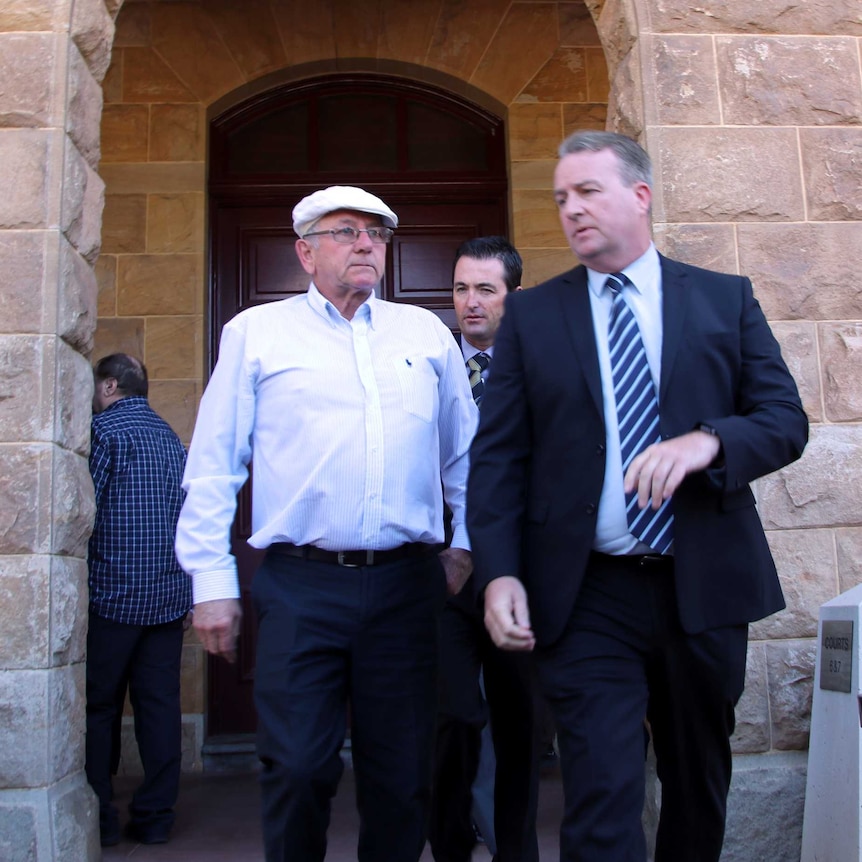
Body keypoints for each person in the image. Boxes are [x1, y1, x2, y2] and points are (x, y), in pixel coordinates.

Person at [466, 131, 809, 862]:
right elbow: (498, 459)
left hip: (703, 583)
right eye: (562, 199)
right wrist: (498, 572)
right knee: (600, 790)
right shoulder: (534, 316)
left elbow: (784, 421)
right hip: (588, 592)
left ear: (640, 196)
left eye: (588, 191)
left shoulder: (723, 299)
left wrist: (708, 441)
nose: (572, 210)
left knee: (695, 784)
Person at [174, 186, 478, 862]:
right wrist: (211, 583)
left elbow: (465, 454)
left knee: (402, 780)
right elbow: (215, 463)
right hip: (301, 587)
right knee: (298, 769)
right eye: (347, 231)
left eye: (378, 232)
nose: (367, 243)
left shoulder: (425, 334)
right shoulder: (257, 333)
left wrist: (462, 545)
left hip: (406, 587)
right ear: (305, 252)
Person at [429, 236, 540, 862]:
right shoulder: (428, 365)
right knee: (453, 717)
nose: (470, 303)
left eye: (486, 290)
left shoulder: (540, 369)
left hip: (518, 572)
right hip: (443, 575)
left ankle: (515, 850)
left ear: (513, 298)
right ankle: (449, 842)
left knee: (520, 723)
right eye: (461, 289)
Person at [85, 353, 191, 847]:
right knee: (160, 707)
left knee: (99, 707)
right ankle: (155, 818)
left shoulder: (103, 434)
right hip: (167, 597)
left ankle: (99, 817)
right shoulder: (172, 440)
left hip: (113, 596)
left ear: (109, 386)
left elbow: (82, 515)